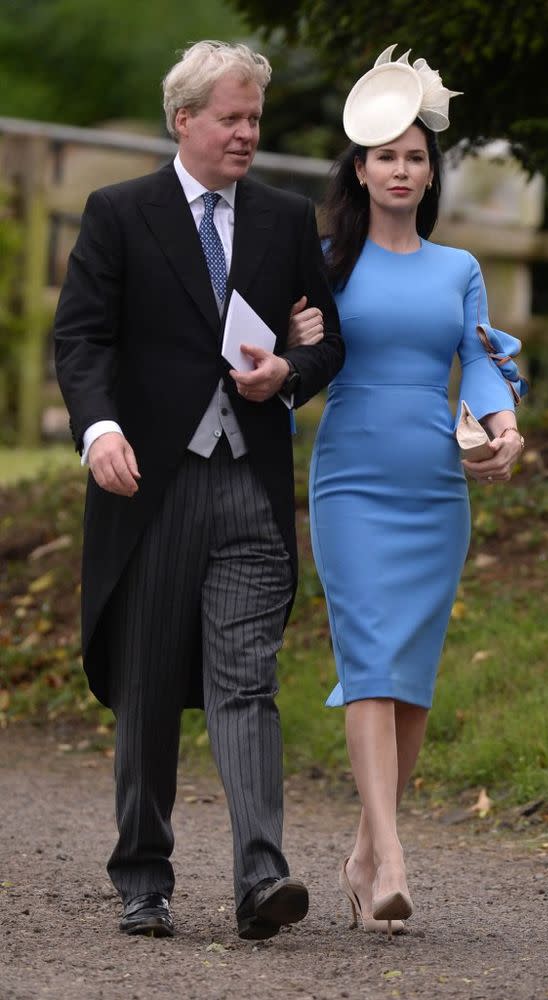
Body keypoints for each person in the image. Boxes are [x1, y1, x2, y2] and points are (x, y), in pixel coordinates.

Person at [54, 40, 344, 941]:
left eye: (255, 117)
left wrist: (287, 372)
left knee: (245, 684)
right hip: (151, 488)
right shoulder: (118, 213)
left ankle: (263, 878)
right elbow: (82, 340)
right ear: (183, 120)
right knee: (144, 690)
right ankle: (143, 874)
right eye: (231, 117)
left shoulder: (285, 217)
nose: (248, 132)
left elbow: (326, 339)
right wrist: (99, 431)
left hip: (249, 490)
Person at [288, 45, 527, 937]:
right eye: (384, 154)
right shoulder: (322, 262)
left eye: (414, 156)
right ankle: (389, 857)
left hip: (434, 488)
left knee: (412, 681)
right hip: (350, 481)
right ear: (360, 167)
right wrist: (291, 332)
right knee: (369, 665)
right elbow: (297, 357)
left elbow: (481, 358)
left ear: (430, 173)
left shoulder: (456, 267)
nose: (400, 168)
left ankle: (359, 853)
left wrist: (502, 428)